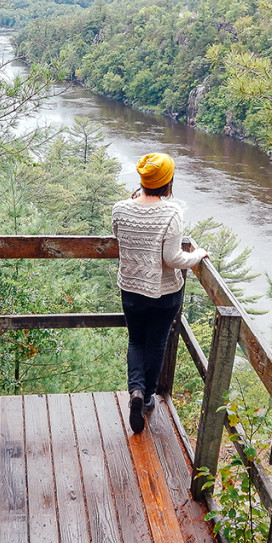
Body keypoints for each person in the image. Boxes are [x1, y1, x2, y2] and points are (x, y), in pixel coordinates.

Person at [112, 153, 208, 433]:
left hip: (131, 287)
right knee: (155, 344)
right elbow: (173, 258)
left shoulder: (120, 208)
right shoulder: (172, 212)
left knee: (136, 341)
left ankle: (135, 391)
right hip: (164, 292)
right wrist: (198, 255)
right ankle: (147, 397)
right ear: (168, 182)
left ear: (142, 179)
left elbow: (119, 235)